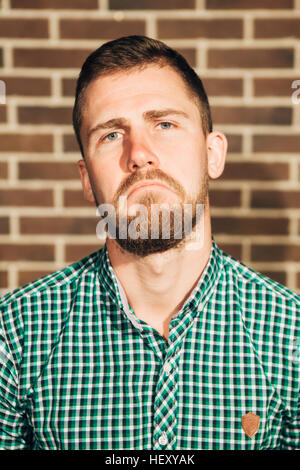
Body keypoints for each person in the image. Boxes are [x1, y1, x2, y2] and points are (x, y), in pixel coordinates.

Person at [0, 35, 299, 451]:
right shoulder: (14, 335)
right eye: (110, 135)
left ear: (213, 154)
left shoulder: (291, 335)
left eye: (164, 124)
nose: (139, 153)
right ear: (87, 179)